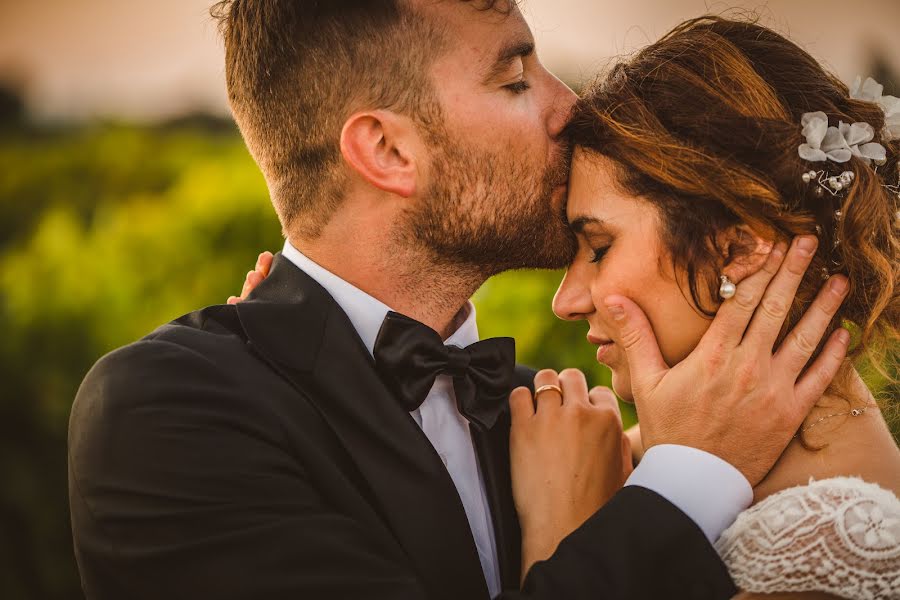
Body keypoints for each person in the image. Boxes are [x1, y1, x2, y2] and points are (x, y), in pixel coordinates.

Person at [68, 3, 850, 599]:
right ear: (387, 151)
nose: (568, 109)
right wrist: (692, 475)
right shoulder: (166, 413)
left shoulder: (556, 426)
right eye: (515, 80)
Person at [510, 16, 899, 600]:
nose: (567, 301)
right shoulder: (622, 452)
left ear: (737, 249)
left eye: (599, 247)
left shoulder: (836, 552)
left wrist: (559, 534)